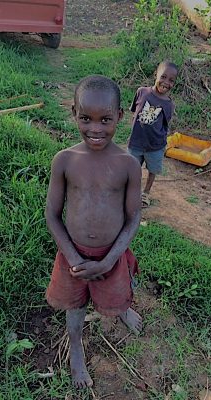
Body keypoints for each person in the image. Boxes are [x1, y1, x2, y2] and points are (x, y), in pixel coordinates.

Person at [45, 75, 142, 389]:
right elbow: (52, 214)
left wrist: (110, 260)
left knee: (119, 291)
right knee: (75, 305)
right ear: (74, 113)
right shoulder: (65, 161)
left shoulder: (127, 164)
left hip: (111, 256)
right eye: (86, 118)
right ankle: (76, 347)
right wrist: (74, 258)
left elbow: (133, 218)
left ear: (120, 117)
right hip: (73, 256)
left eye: (106, 120)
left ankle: (122, 310)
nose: (95, 129)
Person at [128, 60, 178, 208]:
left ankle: (146, 193)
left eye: (171, 80)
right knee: (132, 169)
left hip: (155, 146)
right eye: (163, 77)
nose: (166, 82)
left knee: (152, 170)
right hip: (136, 142)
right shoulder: (141, 92)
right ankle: (130, 193)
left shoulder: (169, 104)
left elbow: (164, 124)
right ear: (155, 75)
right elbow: (134, 112)